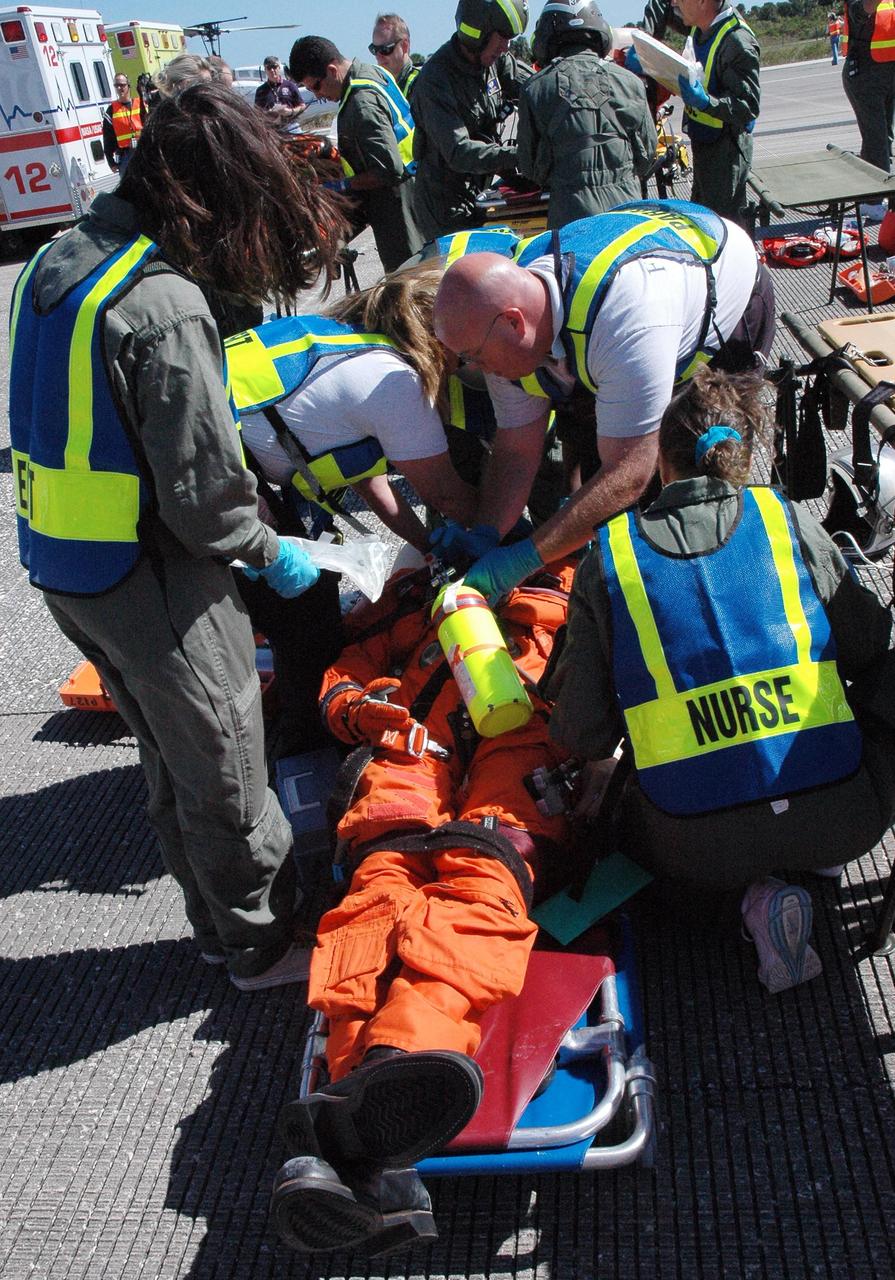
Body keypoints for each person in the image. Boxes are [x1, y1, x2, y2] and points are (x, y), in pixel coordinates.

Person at [9, 84, 348, 991]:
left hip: (68, 565)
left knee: (170, 756)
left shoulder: (60, 259)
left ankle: (211, 926)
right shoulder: (161, 304)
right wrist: (279, 556)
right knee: (228, 762)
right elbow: (204, 502)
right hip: (150, 571)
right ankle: (265, 946)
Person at [546, 367, 895, 993]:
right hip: (848, 813)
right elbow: (868, 642)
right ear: (745, 448)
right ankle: (815, 857)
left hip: (696, 845)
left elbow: (583, 729)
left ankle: (750, 905)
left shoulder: (614, 554)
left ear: (661, 459)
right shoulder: (784, 519)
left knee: (645, 858)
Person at [269, 556, 575, 1255]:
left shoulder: (569, 576)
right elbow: (341, 669)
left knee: (479, 887)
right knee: (376, 897)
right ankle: (375, 1136)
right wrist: (360, 708)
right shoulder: (412, 594)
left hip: (520, 744)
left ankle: (353, 1129)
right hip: (413, 750)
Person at [430, 198, 776, 595]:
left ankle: (731, 589)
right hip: (623, 318)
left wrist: (524, 559)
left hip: (723, 295)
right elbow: (516, 450)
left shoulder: (626, 315)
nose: (477, 369)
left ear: (514, 321)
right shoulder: (504, 328)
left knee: (696, 481)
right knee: (598, 491)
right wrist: (487, 531)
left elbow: (627, 474)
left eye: (474, 356)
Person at [230, 262, 477, 552]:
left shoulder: (347, 339)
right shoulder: (393, 379)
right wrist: (510, 539)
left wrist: (427, 549)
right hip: (215, 448)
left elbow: (370, 481)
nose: (462, 367)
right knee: (288, 587)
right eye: (463, 357)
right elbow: (446, 496)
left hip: (213, 425)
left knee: (309, 579)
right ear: (436, 337)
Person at [517, 0, 657, 229]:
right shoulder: (631, 83)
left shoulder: (535, 90)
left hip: (572, 224)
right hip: (629, 220)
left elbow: (530, 168)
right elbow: (646, 156)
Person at [289, 35, 423, 271]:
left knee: (409, 283)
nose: (318, 96)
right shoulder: (371, 73)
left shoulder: (361, 104)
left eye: (316, 86)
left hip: (398, 210)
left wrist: (339, 186)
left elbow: (389, 170)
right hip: (417, 193)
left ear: (332, 70)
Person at [410, 0, 532, 242]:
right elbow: (458, 151)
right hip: (445, 206)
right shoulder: (435, 80)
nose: (506, 46)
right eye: (503, 37)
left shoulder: (496, 61)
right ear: (479, 30)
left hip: (480, 192)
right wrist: (522, 154)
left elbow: (536, 88)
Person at [635, 0, 759, 227]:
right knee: (703, 222)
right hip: (705, 144)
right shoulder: (701, 24)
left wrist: (705, 102)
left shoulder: (736, 41)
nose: (674, 3)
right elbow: (662, 6)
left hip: (726, 153)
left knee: (725, 228)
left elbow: (748, 107)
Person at [842, 0, 895, 200]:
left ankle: (872, 192)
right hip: (864, 75)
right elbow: (864, 9)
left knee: (885, 138)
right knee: (877, 140)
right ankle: (874, 201)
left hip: (888, 75)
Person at [370, 12, 420, 98]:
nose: (378, 57)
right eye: (374, 49)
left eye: (385, 49)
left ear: (405, 46)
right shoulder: (377, 89)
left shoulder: (423, 84)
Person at [102, 73, 143, 174]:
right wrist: (111, 162)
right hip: (126, 155)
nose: (119, 88)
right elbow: (107, 137)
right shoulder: (111, 110)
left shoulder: (140, 104)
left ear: (128, 85)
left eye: (122, 85)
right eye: (116, 85)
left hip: (143, 151)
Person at [253, 54, 307, 127]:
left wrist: (290, 111)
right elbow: (256, 113)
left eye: (274, 67)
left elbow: (302, 106)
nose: (272, 70)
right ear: (265, 70)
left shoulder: (290, 85)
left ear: (279, 68)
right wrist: (269, 114)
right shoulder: (261, 91)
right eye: (269, 68)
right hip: (272, 130)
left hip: (291, 126)